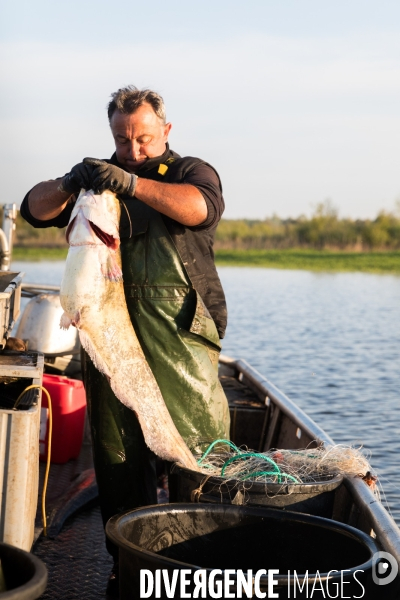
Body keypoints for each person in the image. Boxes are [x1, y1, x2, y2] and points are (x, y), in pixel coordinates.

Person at [21, 86, 230, 595]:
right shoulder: (95, 183)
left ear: (166, 131)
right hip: (108, 333)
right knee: (117, 458)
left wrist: (132, 183)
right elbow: (34, 209)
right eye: (122, 139)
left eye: (143, 139)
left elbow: (201, 209)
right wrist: (73, 180)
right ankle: (129, 565)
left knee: (196, 450)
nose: (132, 149)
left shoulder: (190, 172)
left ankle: (200, 566)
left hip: (178, 336)